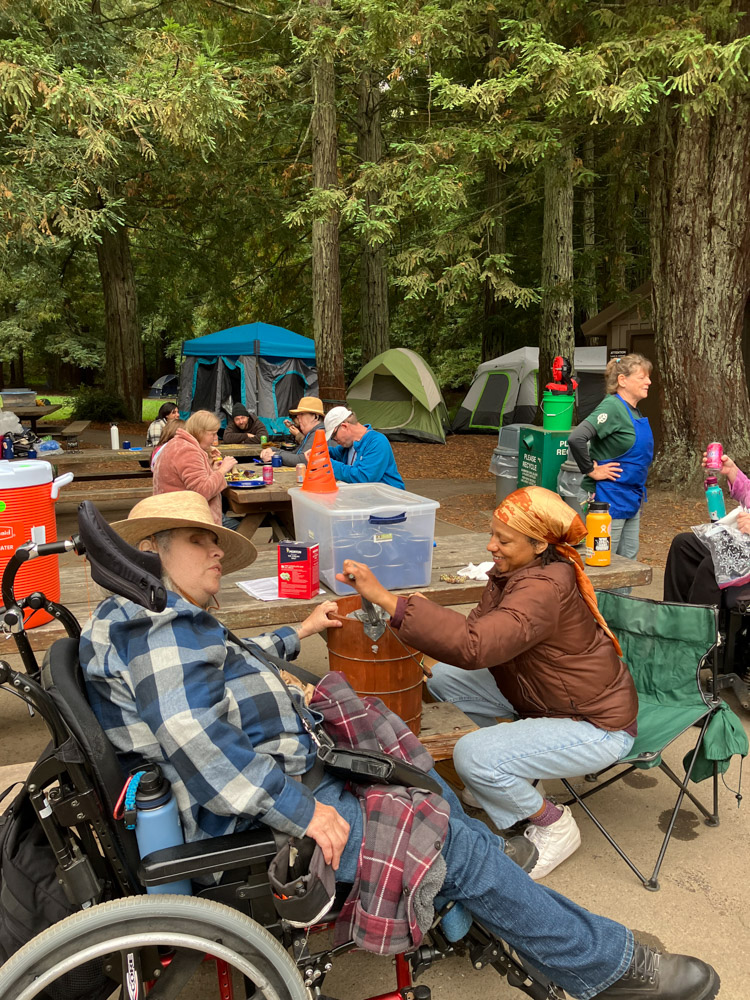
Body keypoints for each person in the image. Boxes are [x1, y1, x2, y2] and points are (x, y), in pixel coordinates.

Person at [78, 491, 718, 1000]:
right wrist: (305, 811)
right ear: (149, 549)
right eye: (200, 540)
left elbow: (219, 664)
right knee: (454, 836)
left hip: (293, 774)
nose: (216, 552)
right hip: (254, 818)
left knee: (425, 787)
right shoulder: (160, 628)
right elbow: (196, 737)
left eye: (216, 539)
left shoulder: (150, 618)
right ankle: (601, 966)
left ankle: (487, 914)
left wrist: (291, 634)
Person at [339, 486, 639, 881]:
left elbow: (473, 644)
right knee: (446, 678)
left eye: (503, 539)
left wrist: (387, 600)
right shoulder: (515, 572)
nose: (491, 545)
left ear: (538, 544)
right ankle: (506, 774)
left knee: (473, 756)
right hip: (546, 699)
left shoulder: (542, 588)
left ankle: (552, 823)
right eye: (493, 534)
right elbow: (477, 633)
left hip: (595, 725)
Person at [567, 354, 653, 582]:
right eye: (643, 377)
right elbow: (577, 437)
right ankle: (596, 615)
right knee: (602, 562)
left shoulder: (634, 411)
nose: (649, 382)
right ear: (623, 380)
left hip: (631, 496)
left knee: (628, 562)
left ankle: (620, 614)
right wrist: (591, 470)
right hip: (606, 500)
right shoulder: (613, 406)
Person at [664, 451, 750, 606]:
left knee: (713, 566)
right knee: (683, 545)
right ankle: (673, 618)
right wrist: (732, 471)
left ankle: (698, 627)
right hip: (744, 544)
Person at [152, 409, 237, 526]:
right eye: (212, 434)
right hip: (186, 522)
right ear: (200, 432)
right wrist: (222, 471)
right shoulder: (188, 451)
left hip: (177, 515)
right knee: (240, 530)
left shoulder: (179, 444)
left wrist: (212, 470)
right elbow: (202, 492)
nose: (215, 438)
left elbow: (192, 482)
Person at [320, 406, 405, 489]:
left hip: (391, 498)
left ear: (344, 427)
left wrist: (326, 463)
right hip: (370, 498)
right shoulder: (349, 445)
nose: (334, 440)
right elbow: (333, 453)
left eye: (333, 435)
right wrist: (318, 452)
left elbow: (364, 478)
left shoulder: (377, 441)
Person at [260, 396, 325, 467]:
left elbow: (303, 460)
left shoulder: (319, 433)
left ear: (316, 417)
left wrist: (275, 454)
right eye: (298, 414)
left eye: (302, 414)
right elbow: (295, 453)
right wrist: (273, 450)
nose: (297, 417)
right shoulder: (313, 432)